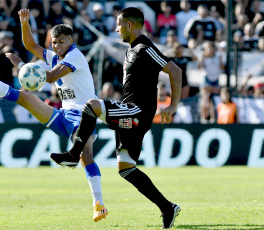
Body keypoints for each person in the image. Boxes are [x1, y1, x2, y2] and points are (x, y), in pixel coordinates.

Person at [0, 9, 108, 222]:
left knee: (86, 156)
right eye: (54, 42)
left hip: (84, 114)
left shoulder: (75, 56)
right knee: (23, 97)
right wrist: (24, 22)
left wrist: (22, 66)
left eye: (61, 42)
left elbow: (50, 78)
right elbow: (31, 45)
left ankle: (98, 204)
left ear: (70, 41)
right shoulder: (54, 55)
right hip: (64, 115)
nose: (56, 46)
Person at [51, 7, 182, 229]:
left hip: (136, 112)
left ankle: (74, 154)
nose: (116, 29)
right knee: (126, 168)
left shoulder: (143, 47)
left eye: (119, 24)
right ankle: (167, 207)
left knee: (91, 106)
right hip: (129, 112)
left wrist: (172, 106)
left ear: (130, 25)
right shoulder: (132, 49)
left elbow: (175, 71)